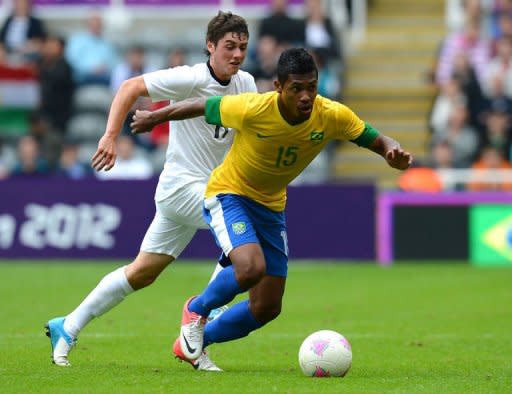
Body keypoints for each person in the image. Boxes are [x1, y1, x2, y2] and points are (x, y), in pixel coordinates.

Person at [130, 48, 413, 369]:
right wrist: (155, 116)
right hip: (229, 194)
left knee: (266, 307)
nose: (306, 96)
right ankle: (196, 308)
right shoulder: (253, 107)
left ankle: (195, 341)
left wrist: (392, 150)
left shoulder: (332, 114)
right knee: (250, 268)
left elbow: (373, 138)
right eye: (297, 88)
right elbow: (199, 105)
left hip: (270, 206)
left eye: (312, 87)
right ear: (278, 86)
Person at [45, 11, 257, 371]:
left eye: (242, 47)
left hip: (200, 192)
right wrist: (110, 135)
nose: (236, 54)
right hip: (182, 188)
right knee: (242, 237)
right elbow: (130, 87)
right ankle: (198, 322)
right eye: (229, 47)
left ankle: (67, 325)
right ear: (210, 46)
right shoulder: (190, 77)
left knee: (142, 272)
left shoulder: (246, 84)